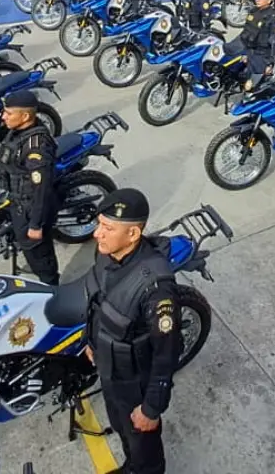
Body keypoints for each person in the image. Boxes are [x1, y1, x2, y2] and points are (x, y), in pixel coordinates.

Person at [82, 188, 179, 474]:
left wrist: (151, 408)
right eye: (99, 224)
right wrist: (91, 341)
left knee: (143, 443)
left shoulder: (156, 288)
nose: (97, 234)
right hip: (110, 369)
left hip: (136, 382)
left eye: (107, 228)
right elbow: (98, 302)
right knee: (122, 428)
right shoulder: (106, 254)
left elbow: (167, 354)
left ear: (133, 234)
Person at [0, 90, 60, 284]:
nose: (3, 117)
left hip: (29, 208)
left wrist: (36, 225)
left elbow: (42, 191)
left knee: (38, 253)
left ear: (26, 116)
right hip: (15, 198)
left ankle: (50, 287)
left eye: (9, 113)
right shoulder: (17, 130)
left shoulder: (36, 147)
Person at [229, 0, 275, 86]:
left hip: (262, 55)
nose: (257, 0)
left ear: (269, 0)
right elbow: (246, 32)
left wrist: (270, 63)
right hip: (248, 50)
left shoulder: (274, 19)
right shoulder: (253, 12)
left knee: (252, 86)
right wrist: (243, 52)